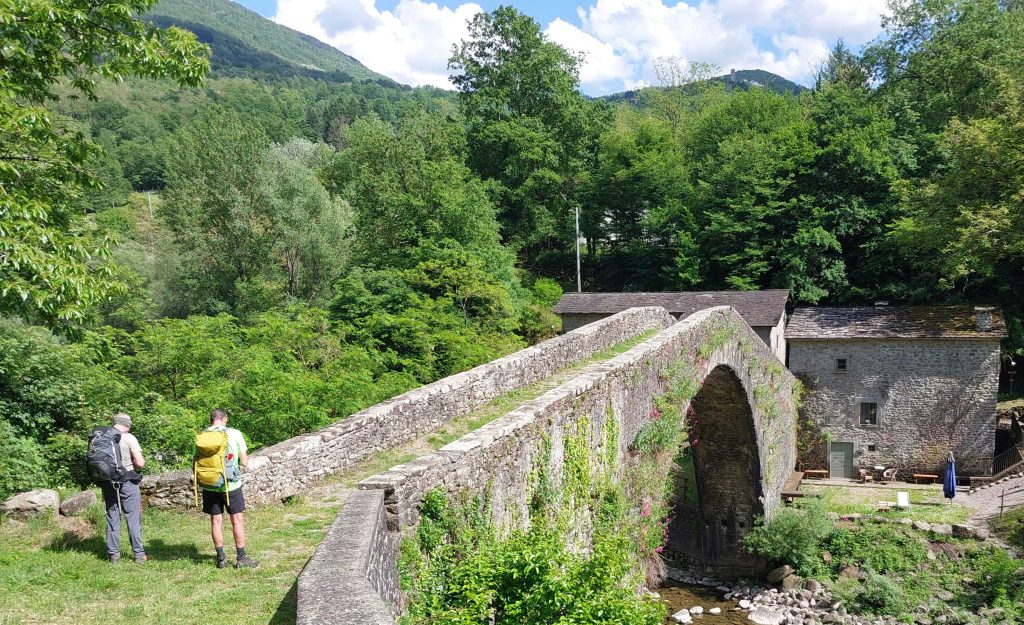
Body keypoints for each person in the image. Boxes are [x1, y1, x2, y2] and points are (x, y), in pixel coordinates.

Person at [201, 409, 259, 569]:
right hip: (230, 485)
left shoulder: (202, 436)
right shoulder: (234, 433)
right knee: (237, 520)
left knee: (216, 521)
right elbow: (245, 462)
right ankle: (241, 558)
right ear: (224, 419)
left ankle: (221, 559)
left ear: (210, 419)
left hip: (210, 484)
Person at [103, 412, 147, 563]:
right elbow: (140, 463)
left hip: (109, 482)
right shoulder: (128, 438)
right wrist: (134, 463)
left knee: (112, 517)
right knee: (133, 518)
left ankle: (113, 555)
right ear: (127, 424)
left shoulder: (103, 438)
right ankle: (139, 555)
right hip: (127, 482)